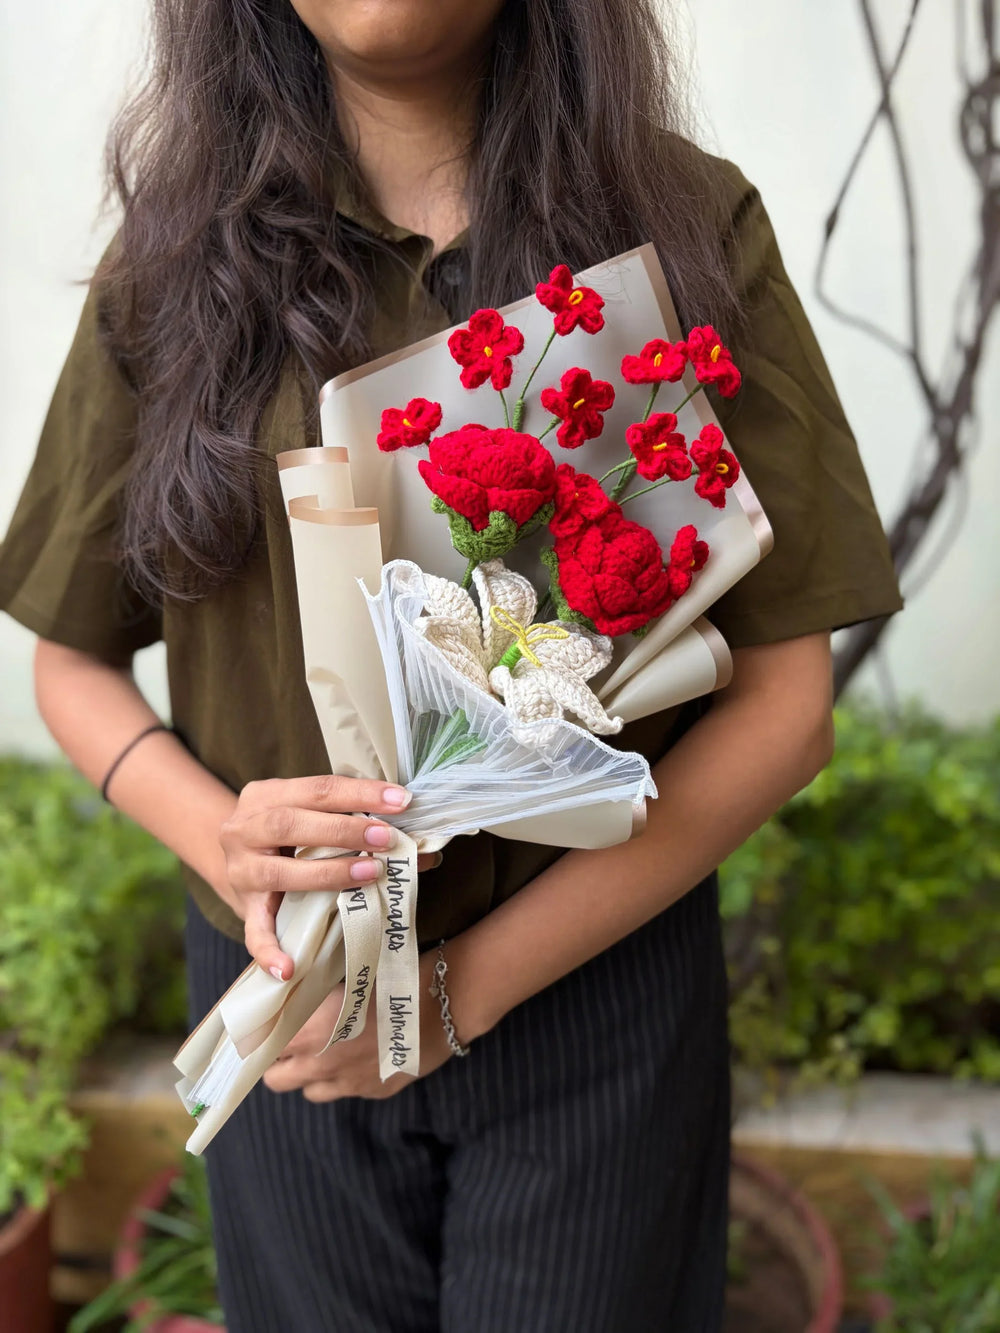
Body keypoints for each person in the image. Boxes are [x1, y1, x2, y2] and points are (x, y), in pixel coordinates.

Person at [0, 1, 903, 1329]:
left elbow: (784, 706)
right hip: (290, 999)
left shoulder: (687, 236)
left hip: (595, 1001)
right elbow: (69, 664)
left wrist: (456, 994)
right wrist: (222, 831)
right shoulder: (174, 266)